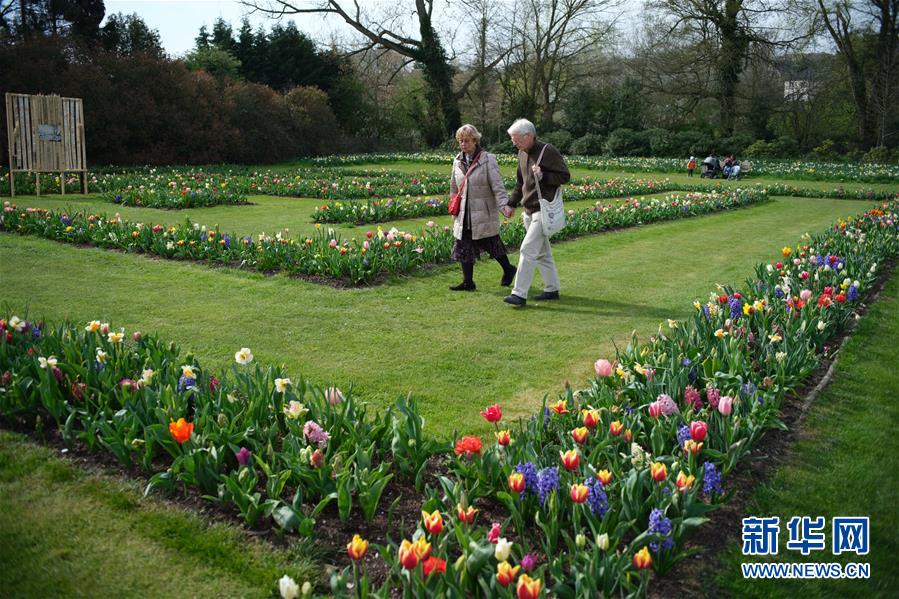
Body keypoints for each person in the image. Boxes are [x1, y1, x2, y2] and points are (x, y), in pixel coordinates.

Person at [502, 118, 571, 307]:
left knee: (527, 249)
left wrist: (544, 176)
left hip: (543, 209)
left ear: (529, 136)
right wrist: (511, 203)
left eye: (517, 139)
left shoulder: (547, 151)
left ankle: (519, 294)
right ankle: (552, 289)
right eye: (513, 139)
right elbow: (520, 183)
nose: (514, 143)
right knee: (542, 253)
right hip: (528, 210)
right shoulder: (522, 153)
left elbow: (565, 176)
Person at [448, 124, 517, 291]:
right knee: (464, 245)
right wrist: (453, 206)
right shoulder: (457, 161)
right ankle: (468, 282)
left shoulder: (487, 159)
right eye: (461, 141)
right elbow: (454, 187)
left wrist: (504, 206)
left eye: (467, 141)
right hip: (464, 212)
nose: (463, 144)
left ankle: (508, 269)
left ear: (475, 140)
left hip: (483, 212)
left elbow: (498, 186)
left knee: (491, 243)